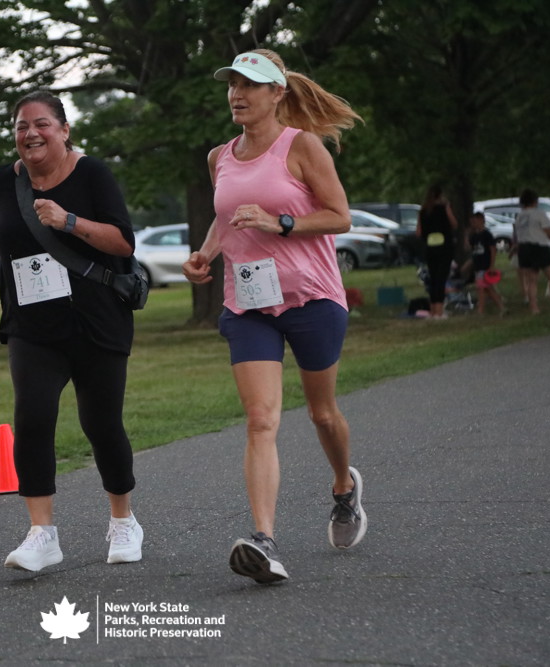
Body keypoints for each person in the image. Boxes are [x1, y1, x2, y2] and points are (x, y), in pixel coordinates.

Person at [182, 49, 366, 585]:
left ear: (276, 93)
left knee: (322, 414)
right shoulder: (219, 157)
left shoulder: (302, 146)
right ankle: (264, 540)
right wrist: (205, 254)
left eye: (249, 84)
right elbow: (227, 217)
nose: (237, 94)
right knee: (261, 419)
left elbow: (340, 217)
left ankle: (344, 486)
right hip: (249, 306)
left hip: (312, 298)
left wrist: (280, 221)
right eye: (232, 84)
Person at [0, 90, 143, 572]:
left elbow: (123, 241)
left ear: (64, 130)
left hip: (95, 320)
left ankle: (123, 520)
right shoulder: (3, 182)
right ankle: (42, 533)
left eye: (42, 124)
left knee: (101, 423)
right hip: (33, 325)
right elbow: (7, 247)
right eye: (21, 126)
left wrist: (69, 221)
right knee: (32, 417)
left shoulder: (92, 174)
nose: (30, 133)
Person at [515, 188, 550, 314]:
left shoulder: (520, 216)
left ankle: (534, 308)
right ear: (535, 201)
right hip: (540, 247)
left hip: (524, 248)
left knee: (532, 280)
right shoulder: (539, 214)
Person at [416, 185, 458, 319]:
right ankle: (439, 312)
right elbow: (454, 224)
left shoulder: (423, 211)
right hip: (444, 247)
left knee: (433, 278)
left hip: (430, 248)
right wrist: (447, 208)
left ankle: (433, 310)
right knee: (441, 278)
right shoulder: (443, 208)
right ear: (440, 195)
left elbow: (418, 232)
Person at [464, 212, 506, 315]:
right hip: (477, 266)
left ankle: (481, 310)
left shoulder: (487, 235)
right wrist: (466, 236)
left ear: (481, 220)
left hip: (485, 265)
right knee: (487, 288)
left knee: (481, 288)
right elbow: (468, 248)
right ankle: (501, 307)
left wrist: (491, 265)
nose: (473, 224)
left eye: (474, 221)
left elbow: (493, 249)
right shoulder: (474, 236)